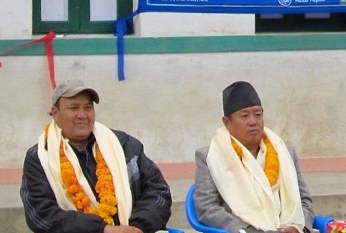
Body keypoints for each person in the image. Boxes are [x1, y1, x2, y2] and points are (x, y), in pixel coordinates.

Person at [21, 80, 172, 233]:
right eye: (74, 108)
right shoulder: (40, 158)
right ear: (55, 113)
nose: (82, 115)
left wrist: (138, 227)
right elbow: (40, 215)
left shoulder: (124, 145)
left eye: (88, 107)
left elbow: (158, 192)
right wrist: (103, 230)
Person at [194, 81, 315, 233]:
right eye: (244, 116)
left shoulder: (285, 152)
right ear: (227, 122)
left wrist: (298, 228)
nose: (253, 122)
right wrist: (247, 231)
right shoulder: (210, 156)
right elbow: (207, 209)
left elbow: (304, 201)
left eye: (257, 114)